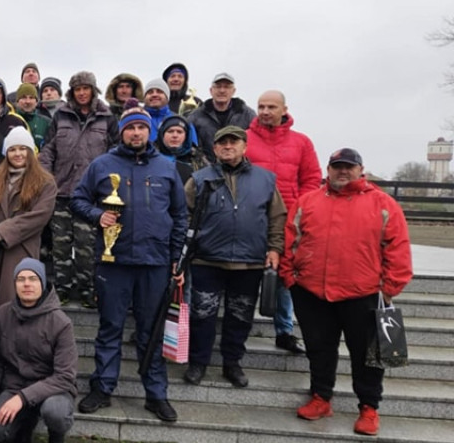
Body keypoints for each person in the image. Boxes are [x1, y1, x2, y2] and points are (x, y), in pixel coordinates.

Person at [280, 148, 413, 436]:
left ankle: (368, 407)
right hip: (313, 292)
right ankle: (321, 397)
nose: (343, 171)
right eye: (337, 166)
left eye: (348, 167)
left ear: (360, 169)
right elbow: (291, 240)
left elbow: (398, 249)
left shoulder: (383, 204)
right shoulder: (308, 201)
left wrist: (390, 288)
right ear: (328, 170)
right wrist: (290, 278)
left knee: (368, 355)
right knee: (319, 349)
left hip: (363, 293)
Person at [71, 101, 187, 423]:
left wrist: (175, 259)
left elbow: (179, 215)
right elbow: (78, 200)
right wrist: (98, 215)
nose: (136, 132)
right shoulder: (102, 164)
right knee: (110, 327)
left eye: (141, 127)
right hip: (114, 261)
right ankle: (102, 388)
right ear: (122, 131)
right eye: (130, 127)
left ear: (149, 131)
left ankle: (156, 394)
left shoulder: (167, 167)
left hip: (155, 263)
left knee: (151, 331)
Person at [182, 125, 286, 387]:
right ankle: (198, 362)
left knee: (240, 317)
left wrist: (274, 248)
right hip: (207, 260)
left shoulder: (266, 179)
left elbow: (276, 217)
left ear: (244, 146)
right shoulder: (200, 178)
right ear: (215, 148)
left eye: (234, 142)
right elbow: (184, 214)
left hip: (249, 262)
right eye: (222, 143)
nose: (228, 147)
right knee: (202, 315)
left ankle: (232, 363)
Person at [245, 89, 321, 356]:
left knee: (284, 277)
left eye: (271, 107)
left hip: (288, 220)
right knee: (247, 275)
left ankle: (284, 330)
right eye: (261, 106)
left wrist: (299, 210)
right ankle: (240, 329)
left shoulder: (301, 142)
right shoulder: (244, 139)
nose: (265, 112)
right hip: (251, 219)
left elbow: (311, 179)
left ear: (284, 109)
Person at [0, 258, 77, 443]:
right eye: (21, 279)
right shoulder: (4, 313)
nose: (27, 284)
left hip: (53, 389)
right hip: (15, 385)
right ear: (15, 284)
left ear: (42, 283)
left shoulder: (61, 322)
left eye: (33, 279)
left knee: (55, 411)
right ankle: (25, 424)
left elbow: (65, 376)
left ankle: (56, 438)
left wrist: (22, 399)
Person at [39, 71, 116, 307]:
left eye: (86, 88)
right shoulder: (60, 116)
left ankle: (87, 291)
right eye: (77, 89)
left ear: (94, 90)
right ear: (71, 92)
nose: (82, 93)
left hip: (91, 197)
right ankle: (61, 290)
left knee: (86, 246)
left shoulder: (107, 117)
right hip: (61, 192)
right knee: (61, 246)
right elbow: (48, 150)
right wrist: (47, 178)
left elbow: (115, 153)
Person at [0, 126, 57, 334]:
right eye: (12, 149)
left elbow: (38, 217)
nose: (17, 154)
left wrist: (0, 232)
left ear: (31, 152)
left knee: (12, 308)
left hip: (20, 250)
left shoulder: (45, 182)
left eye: (22, 149)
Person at [188, 73, 255, 162]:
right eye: (218, 87)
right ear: (211, 90)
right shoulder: (196, 116)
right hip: (207, 170)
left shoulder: (247, 114)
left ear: (233, 91)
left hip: (239, 169)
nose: (222, 90)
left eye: (227, 87)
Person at [155, 114, 208, 183]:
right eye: (170, 131)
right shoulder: (150, 156)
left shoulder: (197, 160)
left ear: (186, 136)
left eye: (179, 132)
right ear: (162, 134)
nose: (175, 135)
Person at [14, 82, 51, 150]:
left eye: (31, 98)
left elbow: (50, 148)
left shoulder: (46, 122)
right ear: (17, 101)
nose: (28, 101)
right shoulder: (9, 120)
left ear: (36, 102)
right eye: (23, 97)